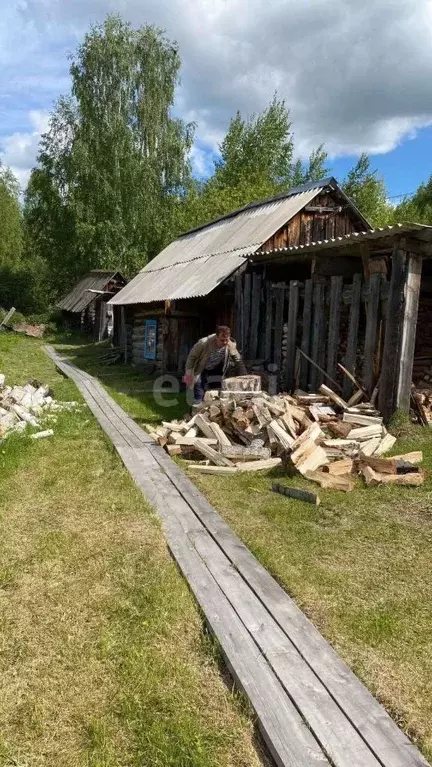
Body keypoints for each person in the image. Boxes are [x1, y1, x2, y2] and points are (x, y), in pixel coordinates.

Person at [184, 325, 247, 404]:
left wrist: (244, 375)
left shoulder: (230, 345)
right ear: (216, 337)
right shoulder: (203, 343)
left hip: (216, 369)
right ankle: (195, 411)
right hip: (201, 369)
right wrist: (188, 375)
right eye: (221, 340)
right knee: (199, 393)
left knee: (215, 393)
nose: (224, 343)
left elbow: (238, 360)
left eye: (226, 340)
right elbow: (191, 358)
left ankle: (211, 413)